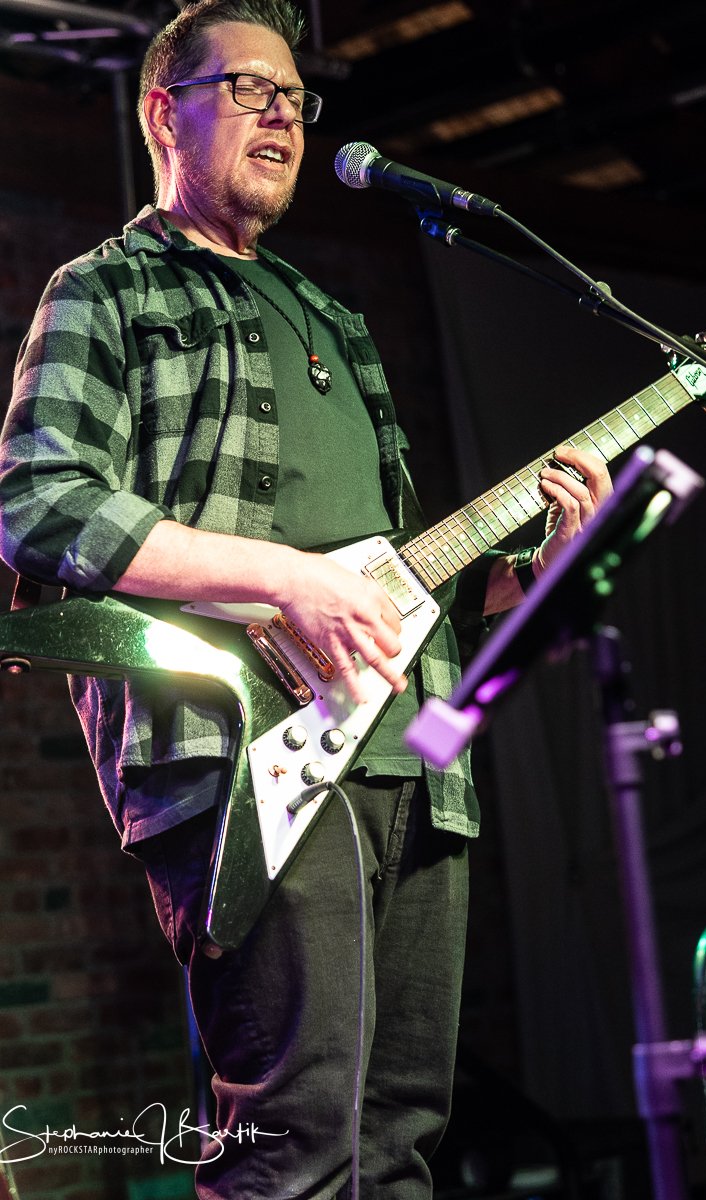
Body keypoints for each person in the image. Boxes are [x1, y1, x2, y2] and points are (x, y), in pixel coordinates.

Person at [0, 1, 612, 1196]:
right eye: (247, 88)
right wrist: (283, 577)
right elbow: (37, 504)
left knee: (398, 1143)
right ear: (161, 115)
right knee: (294, 1140)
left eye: (293, 94)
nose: (281, 111)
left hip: (411, 766)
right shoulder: (106, 289)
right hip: (240, 753)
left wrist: (528, 572)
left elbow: (397, 591)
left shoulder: (334, 318)